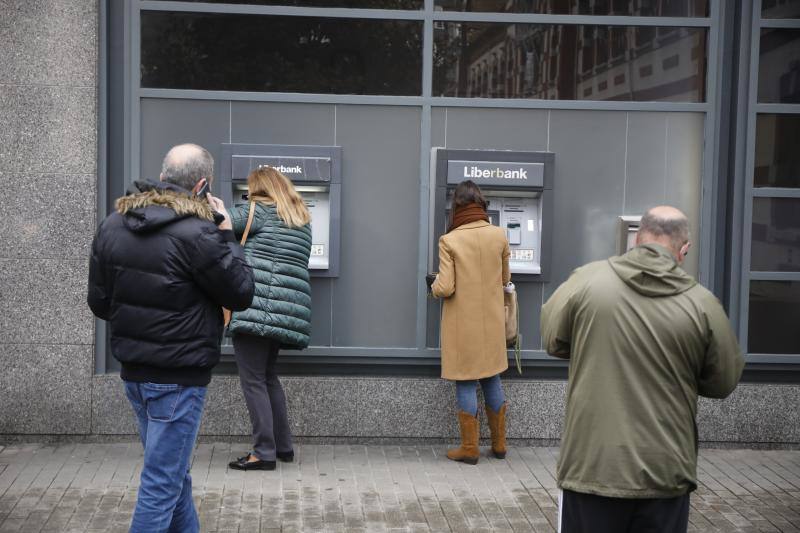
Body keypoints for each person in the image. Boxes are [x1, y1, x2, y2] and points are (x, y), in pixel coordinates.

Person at [541, 205, 744, 533]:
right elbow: (723, 381)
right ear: (684, 249)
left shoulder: (588, 280)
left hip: (593, 467)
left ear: (636, 238)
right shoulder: (703, 303)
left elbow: (553, 339)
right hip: (665, 471)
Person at [87, 143, 255, 533]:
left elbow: (99, 302)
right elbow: (242, 293)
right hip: (179, 377)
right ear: (202, 185)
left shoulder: (114, 223)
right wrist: (227, 232)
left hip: (134, 372)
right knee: (162, 483)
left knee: (173, 475)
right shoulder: (200, 234)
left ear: (162, 178)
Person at [226, 166, 313, 471]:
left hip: (255, 306)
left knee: (253, 381)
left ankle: (263, 452)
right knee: (268, 377)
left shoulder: (257, 211)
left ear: (258, 188)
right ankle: (283, 446)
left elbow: (218, 222)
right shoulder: (300, 218)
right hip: (284, 311)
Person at [430, 180, 511, 465]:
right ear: (482, 205)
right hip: (491, 323)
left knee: (465, 380)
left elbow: (446, 287)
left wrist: (433, 285)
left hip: (462, 324)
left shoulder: (449, 240)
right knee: (491, 376)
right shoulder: (499, 235)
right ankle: (500, 445)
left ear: (457, 207)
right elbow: (504, 279)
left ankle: (469, 448)